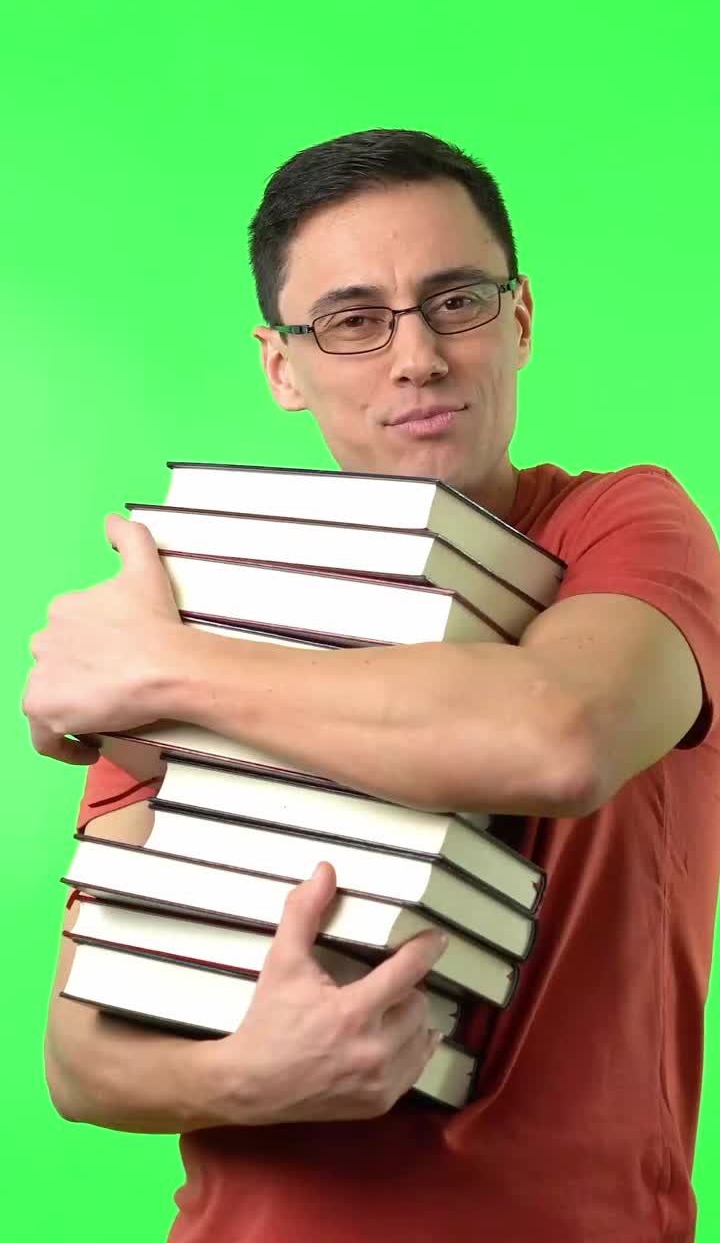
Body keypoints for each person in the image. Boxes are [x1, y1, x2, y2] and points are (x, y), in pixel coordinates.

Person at [26, 129, 720, 1242]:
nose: (417, 359)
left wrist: (159, 669)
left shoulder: (625, 532)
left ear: (521, 317)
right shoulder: (207, 590)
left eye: (456, 302)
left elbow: (561, 738)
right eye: (353, 321)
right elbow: (81, 1057)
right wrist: (251, 1074)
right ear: (282, 367)